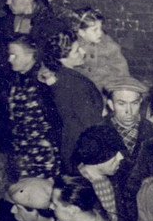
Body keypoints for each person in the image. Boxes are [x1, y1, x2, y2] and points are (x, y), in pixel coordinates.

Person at [36, 29, 103, 173]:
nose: (83, 52)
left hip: (69, 146)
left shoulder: (58, 76)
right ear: (62, 58)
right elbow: (91, 124)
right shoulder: (75, 84)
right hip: (82, 150)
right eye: (77, 51)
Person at [6, 33, 62, 179]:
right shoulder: (18, 79)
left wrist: (49, 141)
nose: (9, 59)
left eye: (14, 55)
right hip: (22, 151)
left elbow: (59, 114)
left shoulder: (43, 80)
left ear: (29, 55)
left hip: (43, 154)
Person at [70, 7, 130, 92]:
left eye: (100, 28)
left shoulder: (109, 46)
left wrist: (122, 89)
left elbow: (122, 71)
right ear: (81, 32)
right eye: (95, 30)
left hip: (105, 89)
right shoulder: (74, 46)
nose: (100, 33)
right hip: (81, 89)